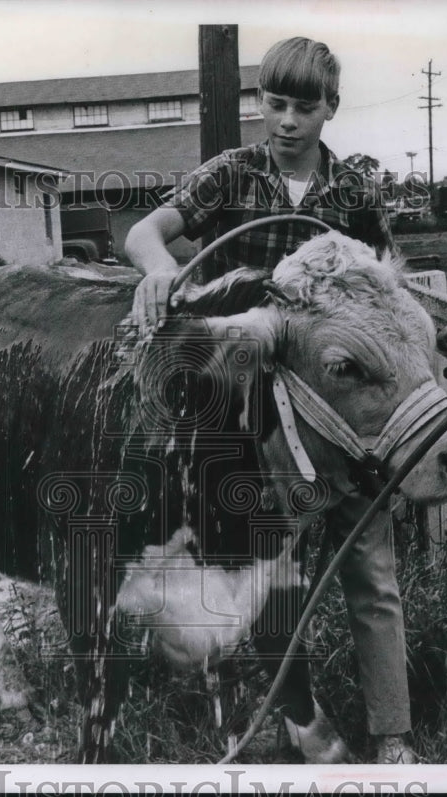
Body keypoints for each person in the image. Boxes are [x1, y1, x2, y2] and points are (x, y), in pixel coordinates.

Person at [124, 37, 416, 765]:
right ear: (261, 104)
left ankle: (394, 730)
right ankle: (284, 706)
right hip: (249, 412)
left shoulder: (352, 194)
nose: (287, 121)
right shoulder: (231, 175)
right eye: (274, 103)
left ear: (330, 110)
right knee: (265, 568)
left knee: (368, 561)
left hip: (331, 414)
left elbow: (388, 288)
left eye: (304, 107)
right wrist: (159, 268)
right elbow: (144, 231)